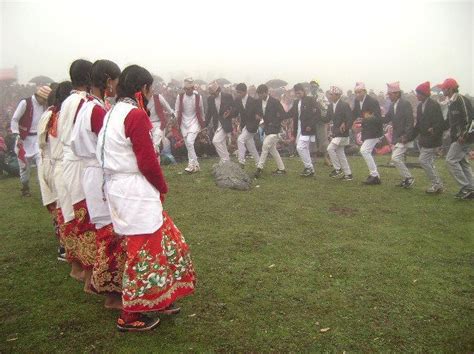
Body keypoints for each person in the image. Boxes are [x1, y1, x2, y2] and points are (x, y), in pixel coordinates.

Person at [97, 65, 196, 332]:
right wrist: (161, 187)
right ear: (143, 89)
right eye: (151, 89)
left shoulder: (114, 112)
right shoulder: (135, 116)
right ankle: (130, 315)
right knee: (144, 251)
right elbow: (148, 162)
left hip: (120, 187)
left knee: (164, 240)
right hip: (134, 190)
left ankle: (158, 297)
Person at [70, 59, 125, 309]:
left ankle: (104, 286)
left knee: (106, 232)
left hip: (91, 172)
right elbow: (109, 146)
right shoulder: (97, 110)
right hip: (99, 172)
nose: (116, 85)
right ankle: (112, 295)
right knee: (110, 234)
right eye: (114, 80)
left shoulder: (88, 106)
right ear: (107, 81)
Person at [57, 59, 96, 287]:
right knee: (85, 217)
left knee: (72, 214)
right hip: (79, 161)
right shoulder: (83, 101)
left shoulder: (69, 100)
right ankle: (89, 276)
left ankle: (77, 267)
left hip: (67, 162)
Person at [10, 86, 51, 196]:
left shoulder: (44, 106)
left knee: (41, 164)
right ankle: (25, 187)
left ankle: (44, 191)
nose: (45, 102)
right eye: (44, 99)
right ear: (39, 96)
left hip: (38, 139)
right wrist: (16, 134)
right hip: (23, 139)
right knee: (24, 167)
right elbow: (15, 119)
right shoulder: (25, 103)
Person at [407, 81, 445, 194]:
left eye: (418, 93)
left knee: (423, 161)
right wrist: (410, 136)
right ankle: (437, 184)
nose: (416, 95)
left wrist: (434, 132)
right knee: (429, 162)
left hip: (432, 139)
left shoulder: (434, 105)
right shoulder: (420, 106)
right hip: (424, 139)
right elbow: (418, 125)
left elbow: (439, 122)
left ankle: (437, 184)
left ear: (423, 94)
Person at [439, 78, 474, 199]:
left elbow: (470, 119)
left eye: (443, 88)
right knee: (463, 163)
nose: (442, 90)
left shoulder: (460, 99)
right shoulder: (451, 101)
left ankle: (465, 188)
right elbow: (449, 122)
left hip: (464, 138)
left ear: (450, 89)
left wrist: (464, 135)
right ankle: (471, 189)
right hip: (458, 137)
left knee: (450, 160)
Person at [383, 82, 415, 188]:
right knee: (397, 158)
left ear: (397, 93)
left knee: (395, 158)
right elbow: (386, 118)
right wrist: (374, 117)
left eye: (390, 94)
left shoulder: (405, 104)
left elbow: (410, 121)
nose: (389, 96)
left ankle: (409, 177)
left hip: (404, 137)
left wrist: (406, 135)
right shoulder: (393, 105)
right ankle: (406, 178)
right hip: (398, 137)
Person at [353, 82, 383, 185]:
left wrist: (363, 122)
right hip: (366, 131)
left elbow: (378, 117)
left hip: (374, 131)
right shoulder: (357, 102)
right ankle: (375, 176)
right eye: (355, 92)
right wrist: (352, 123)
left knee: (364, 150)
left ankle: (374, 175)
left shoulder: (372, 101)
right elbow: (355, 114)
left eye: (359, 92)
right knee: (366, 151)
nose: (357, 94)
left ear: (364, 91)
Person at [254, 84, 287, 178]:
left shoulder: (275, 102)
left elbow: (283, 114)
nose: (259, 96)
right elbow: (261, 113)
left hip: (275, 128)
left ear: (266, 92)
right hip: (267, 128)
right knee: (273, 150)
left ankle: (259, 168)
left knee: (265, 146)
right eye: (258, 94)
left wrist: (275, 122)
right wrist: (260, 117)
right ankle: (281, 169)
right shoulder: (259, 102)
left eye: (261, 94)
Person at [288, 83, 320, 177]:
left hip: (308, 128)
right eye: (296, 93)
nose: (298, 95)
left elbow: (317, 114)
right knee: (303, 147)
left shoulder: (310, 100)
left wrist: (311, 124)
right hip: (299, 128)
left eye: (299, 93)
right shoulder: (296, 102)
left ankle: (309, 167)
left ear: (303, 91)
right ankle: (310, 169)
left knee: (300, 147)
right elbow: (291, 113)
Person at [174, 78, 205, 173]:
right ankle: (195, 165)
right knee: (188, 144)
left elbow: (201, 110)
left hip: (194, 121)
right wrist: (175, 118)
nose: (188, 91)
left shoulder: (198, 97)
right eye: (186, 89)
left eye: (190, 89)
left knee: (190, 142)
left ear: (193, 88)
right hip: (183, 122)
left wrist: (203, 124)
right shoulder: (180, 96)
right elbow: (176, 109)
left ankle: (192, 164)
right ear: (184, 89)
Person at [326, 86, 353, 180]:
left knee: (330, 149)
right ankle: (348, 174)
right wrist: (316, 114)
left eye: (331, 94)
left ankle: (337, 169)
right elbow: (326, 119)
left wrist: (345, 125)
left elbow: (350, 118)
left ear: (338, 95)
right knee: (341, 153)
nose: (330, 96)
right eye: (330, 94)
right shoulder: (330, 106)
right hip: (337, 133)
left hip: (342, 133)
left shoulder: (344, 105)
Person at [205, 81, 235, 163]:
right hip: (216, 124)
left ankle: (224, 159)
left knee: (216, 141)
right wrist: (204, 125)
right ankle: (227, 160)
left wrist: (229, 113)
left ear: (218, 90)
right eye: (211, 93)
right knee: (221, 142)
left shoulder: (228, 96)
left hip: (225, 123)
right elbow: (209, 113)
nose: (212, 95)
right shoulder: (210, 99)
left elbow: (235, 109)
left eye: (213, 93)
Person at [235, 83, 260, 168]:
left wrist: (257, 119)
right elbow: (235, 112)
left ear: (245, 91)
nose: (238, 94)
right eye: (237, 92)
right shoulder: (237, 100)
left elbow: (259, 113)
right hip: (244, 126)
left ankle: (241, 161)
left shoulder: (253, 101)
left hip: (252, 126)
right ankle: (259, 164)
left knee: (240, 140)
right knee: (251, 146)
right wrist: (229, 113)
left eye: (239, 92)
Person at [309, 79, 331, 166]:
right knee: (312, 140)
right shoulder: (308, 96)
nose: (313, 88)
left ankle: (326, 158)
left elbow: (326, 107)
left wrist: (319, 104)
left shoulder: (322, 96)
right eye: (311, 86)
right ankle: (314, 158)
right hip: (311, 120)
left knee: (323, 139)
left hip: (321, 120)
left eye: (314, 86)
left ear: (317, 87)